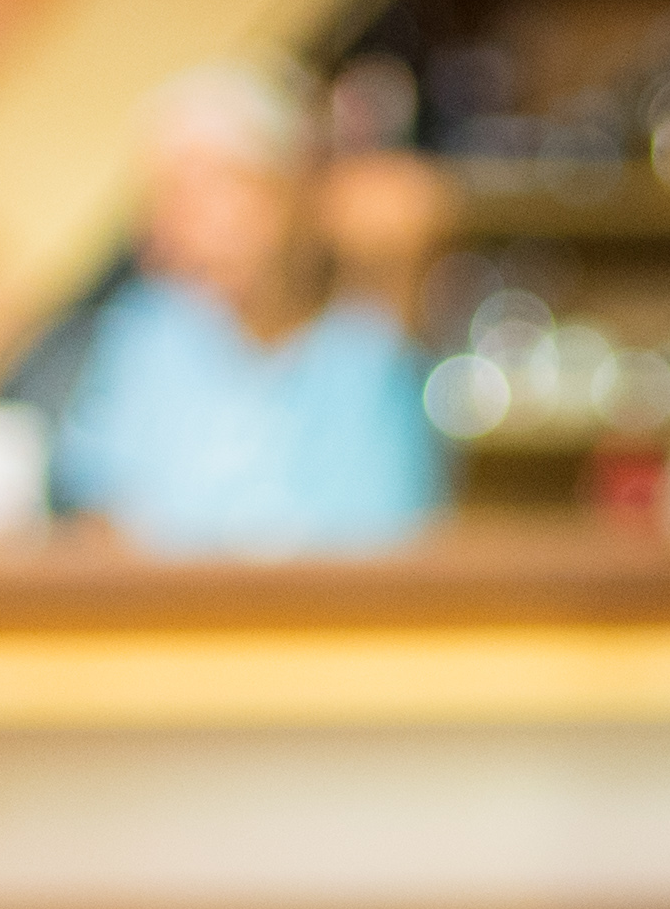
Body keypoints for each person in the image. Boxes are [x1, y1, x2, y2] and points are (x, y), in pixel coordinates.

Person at [52, 61, 447, 556]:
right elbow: (97, 514)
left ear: (288, 190)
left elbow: (406, 206)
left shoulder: (364, 347)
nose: (175, 224)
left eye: (213, 188)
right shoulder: (148, 334)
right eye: (168, 198)